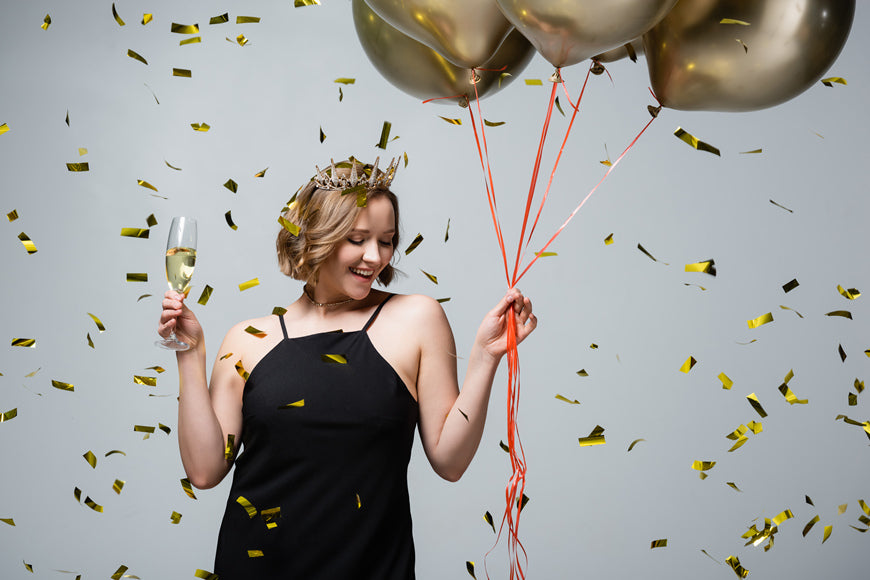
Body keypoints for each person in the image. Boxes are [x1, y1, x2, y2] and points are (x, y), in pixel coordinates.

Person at [157, 157, 537, 579]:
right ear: (319, 237)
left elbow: (450, 461)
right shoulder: (246, 340)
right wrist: (189, 354)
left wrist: (486, 357)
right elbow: (205, 471)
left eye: (387, 240)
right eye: (357, 239)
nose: (375, 257)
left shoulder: (416, 319)